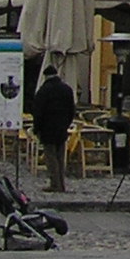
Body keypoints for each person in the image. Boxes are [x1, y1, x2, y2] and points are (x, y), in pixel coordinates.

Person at [31, 64, 77, 194]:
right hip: (62, 128)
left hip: (47, 128)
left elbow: (38, 111)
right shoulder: (67, 89)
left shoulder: (44, 90)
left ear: (46, 76)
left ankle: (55, 183)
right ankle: (61, 183)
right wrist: (66, 124)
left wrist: (37, 128)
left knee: (50, 157)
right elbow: (71, 110)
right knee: (60, 157)